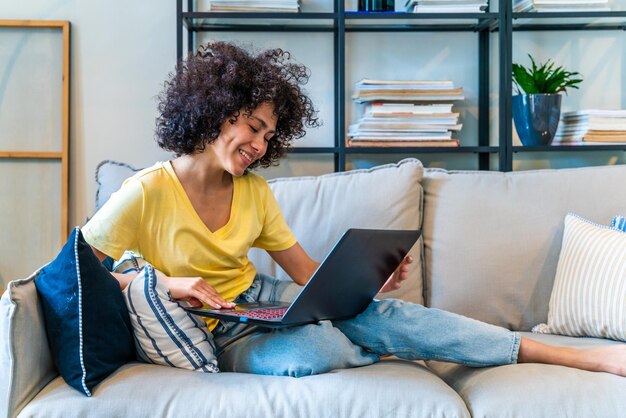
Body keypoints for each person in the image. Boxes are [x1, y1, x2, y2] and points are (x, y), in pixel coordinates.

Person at [83, 41, 626, 378]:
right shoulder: (144, 191)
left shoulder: (254, 192)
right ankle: (384, 340)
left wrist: (367, 283)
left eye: (270, 135)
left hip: (262, 300)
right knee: (314, 350)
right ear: (217, 113)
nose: (260, 145)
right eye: (253, 126)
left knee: (383, 314)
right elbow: (77, 274)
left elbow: (304, 275)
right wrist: (171, 285)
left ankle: (574, 356)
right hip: (211, 329)